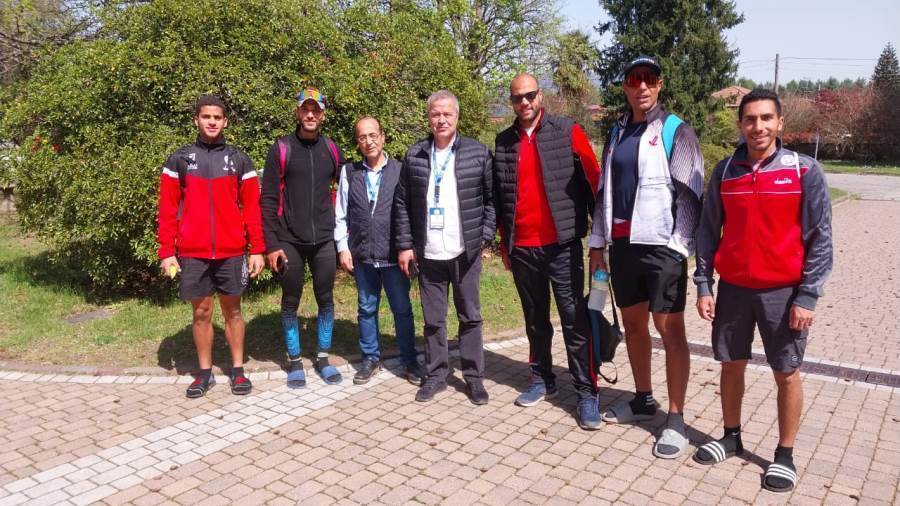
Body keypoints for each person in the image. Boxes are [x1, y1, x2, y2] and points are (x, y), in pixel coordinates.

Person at [692, 89, 832, 493]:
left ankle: (784, 454)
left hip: (783, 294)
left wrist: (808, 295)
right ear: (741, 125)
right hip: (734, 289)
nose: (758, 127)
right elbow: (707, 232)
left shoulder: (803, 170)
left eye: (766, 118)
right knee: (731, 364)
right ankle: (731, 437)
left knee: (786, 372)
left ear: (780, 123)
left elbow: (821, 238)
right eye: (750, 119)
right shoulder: (725, 171)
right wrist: (704, 284)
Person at [588, 55, 704, 457]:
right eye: (635, 80)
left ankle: (676, 418)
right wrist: (597, 244)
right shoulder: (617, 131)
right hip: (623, 246)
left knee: (669, 330)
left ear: (659, 84)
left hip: (661, 248)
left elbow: (691, 194)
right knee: (635, 326)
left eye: (649, 79)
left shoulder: (676, 130)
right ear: (625, 86)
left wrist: (678, 247)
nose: (642, 86)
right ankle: (642, 399)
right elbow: (603, 192)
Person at [493, 73, 603, 429]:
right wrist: (505, 244)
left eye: (529, 95)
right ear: (511, 102)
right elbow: (501, 197)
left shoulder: (568, 131)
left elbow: (595, 183)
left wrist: (599, 241)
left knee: (574, 320)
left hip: (562, 246)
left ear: (540, 96)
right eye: (517, 98)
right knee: (534, 320)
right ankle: (542, 378)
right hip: (523, 249)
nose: (524, 102)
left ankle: (586, 392)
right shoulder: (503, 142)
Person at [156, 94, 265, 398]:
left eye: (217, 117)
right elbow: (167, 209)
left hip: (232, 251)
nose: (212, 122)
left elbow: (252, 209)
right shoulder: (180, 159)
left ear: (225, 121)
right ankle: (204, 374)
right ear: (197, 120)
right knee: (202, 313)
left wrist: (257, 248)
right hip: (193, 252)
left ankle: (238, 371)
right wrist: (167, 252)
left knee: (233, 311)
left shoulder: (239, 159)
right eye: (206, 117)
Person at [394, 89, 496, 404]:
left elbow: (492, 200)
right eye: (435, 114)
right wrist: (405, 245)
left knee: (470, 317)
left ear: (457, 116)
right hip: (429, 254)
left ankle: (474, 378)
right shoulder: (415, 155)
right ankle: (436, 375)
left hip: (465, 252)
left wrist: (484, 236)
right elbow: (402, 203)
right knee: (433, 321)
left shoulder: (478, 153)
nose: (441, 120)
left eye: (447, 114)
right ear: (429, 117)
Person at [260, 87, 345, 388]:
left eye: (316, 110)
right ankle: (295, 361)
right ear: (297, 112)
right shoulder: (281, 148)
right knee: (290, 300)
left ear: (322, 115)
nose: (310, 114)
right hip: (289, 240)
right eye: (305, 109)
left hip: (324, 239)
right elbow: (268, 199)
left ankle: (322, 357)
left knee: (325, 298)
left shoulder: (332, 149)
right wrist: (271, 244)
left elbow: (349, 190)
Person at [334, 116, 424, 385]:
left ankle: (409, 360)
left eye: (373, 135)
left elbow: (412, 212)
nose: (368, 141)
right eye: (362, 137)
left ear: (383, 137)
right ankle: (370, 358)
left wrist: (410, 248)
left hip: (393, 255)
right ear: (357, 142)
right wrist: (342, 247)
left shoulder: (400, 170)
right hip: (362, 255)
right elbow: (340, 213)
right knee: (366, 309)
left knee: (402, 310)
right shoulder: (349, 172)